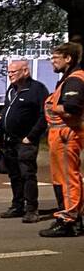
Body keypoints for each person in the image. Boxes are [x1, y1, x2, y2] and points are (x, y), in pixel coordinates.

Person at [0, 60, 48, 223]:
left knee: (27, 174)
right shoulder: (12, 89)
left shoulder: (37, 89)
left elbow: (45, 115)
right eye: (9, 72)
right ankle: (17, 205)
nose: (10, 75)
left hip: (26, 140)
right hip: (9, 140)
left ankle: (32, 209)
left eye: (14, 72)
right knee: (14, 174)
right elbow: (8, 108)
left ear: (25, 71)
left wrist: (32, 136)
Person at [39, 41, 84, 238]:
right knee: (63, 178)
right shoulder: (68, 79)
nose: (52, 62)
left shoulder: (75, 80)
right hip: (61, 134)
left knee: (67, 178)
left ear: (68, 59)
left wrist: (54, 108)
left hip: (66, 135)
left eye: (55, 58)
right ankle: (69, 216)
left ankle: (69, 220)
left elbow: (72, 107)